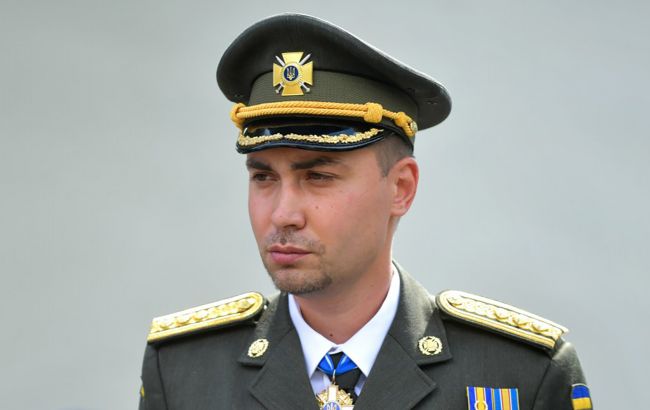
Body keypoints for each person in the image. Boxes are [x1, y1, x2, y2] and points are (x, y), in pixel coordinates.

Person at [138, 13, 591, 410]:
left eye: (318, 176)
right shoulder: (184, 372)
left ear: (401, 188)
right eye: (263, 177)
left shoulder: (521, 374)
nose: (283, 214)